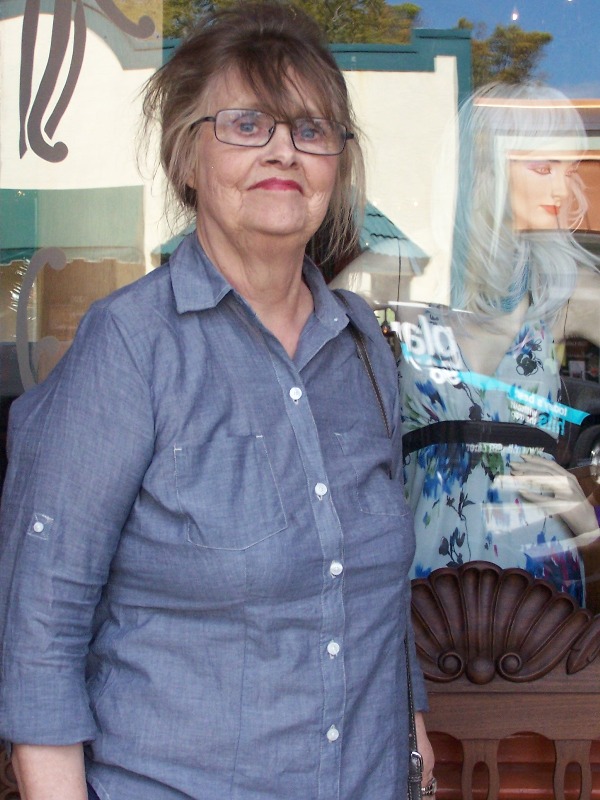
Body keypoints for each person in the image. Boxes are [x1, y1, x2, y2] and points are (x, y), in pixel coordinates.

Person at [0, 4, 435, 799]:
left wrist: (412, 729)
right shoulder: (130, 345)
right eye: (246, 124)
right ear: (188, 157)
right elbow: (40, 627)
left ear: (336, 164)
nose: (283, 150)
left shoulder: (362, 346)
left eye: (311, 129)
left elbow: (369, 590)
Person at [398, 81, 600, 607]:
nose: (565, 189)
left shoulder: (568, 298)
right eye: (543, 167)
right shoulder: (407, 286)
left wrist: (587, 516)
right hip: (420, 581)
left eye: (569, 169)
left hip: (540, 577)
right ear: (485, 172)